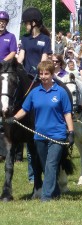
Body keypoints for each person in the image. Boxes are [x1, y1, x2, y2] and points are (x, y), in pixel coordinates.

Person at [6, 60, 74, 201]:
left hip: (57, 135)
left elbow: (67, 113)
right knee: (45, 165)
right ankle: (55, 192)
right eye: (41, 74)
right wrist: (14, 118)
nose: (43, 76)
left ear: (52, 74)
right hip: (39, 136)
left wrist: (71, 132)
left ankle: (46, 196)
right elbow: (24, 110)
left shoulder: (60, 92)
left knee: (50, 165)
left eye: (46, 74)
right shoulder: (34, 93)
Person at [17, 7, 52, 183]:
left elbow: (45, 59)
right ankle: (32, 175)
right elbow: (21, 57)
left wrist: (39, 72)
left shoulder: (45, 39)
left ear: (34, 23)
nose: (24, 26)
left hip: (40, 77)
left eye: (26, 23)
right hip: (26, 78)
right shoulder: (24, 39)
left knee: (60, 87)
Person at [0, 10, 18, 161]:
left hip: (6, 69)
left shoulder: (10, 37)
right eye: (0, 21)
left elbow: (13, 52)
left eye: (3, 22)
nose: (1, 23)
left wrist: (3, 62)